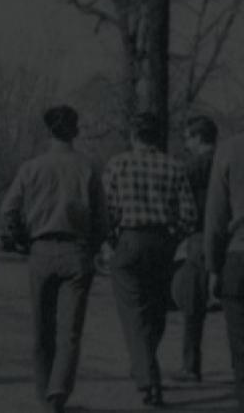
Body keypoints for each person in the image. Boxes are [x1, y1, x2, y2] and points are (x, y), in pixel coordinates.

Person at [0, 105, 107, 413]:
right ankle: (58, 391)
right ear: (75, 131)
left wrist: (20, 240)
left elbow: (9, 210)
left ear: (49, 132)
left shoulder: (31, 168)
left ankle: (43, 392)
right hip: (77, 251)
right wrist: (93, 246)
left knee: (41, 328)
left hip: (41, 251)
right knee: (70, 331)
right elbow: (102, 220)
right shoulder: (88, 168)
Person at [104, 112, 198, 408]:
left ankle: (147, 379)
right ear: (159, 137)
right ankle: (144, 365)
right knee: (156, 312)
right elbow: (189, 215)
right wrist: (172, 236)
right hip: (162, 242)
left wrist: (110, 239)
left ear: (134, 135)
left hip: (130, 239)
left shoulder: (118, 164)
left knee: (133, 312)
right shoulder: (175, 166)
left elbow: (107, 209)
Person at [175, 115, 219, 382]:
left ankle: (191, 365)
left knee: (194, 306)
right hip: (230, 236)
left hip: (199, 237)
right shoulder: (228, 162)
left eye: (188, 137)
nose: (186, 143)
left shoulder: (191, 168)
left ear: (198, 137)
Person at [204, 127, 244, 412]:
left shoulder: (230, 149)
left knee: (241, 350)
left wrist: (213, 266)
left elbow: (216, 218)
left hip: (239, 257)